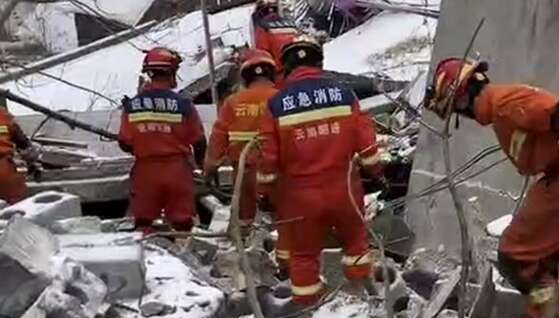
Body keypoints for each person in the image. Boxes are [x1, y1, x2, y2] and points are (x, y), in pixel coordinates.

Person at [423, 59, 559, 318]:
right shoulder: (501, 108)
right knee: (547, 254)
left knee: (515, 256)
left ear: (461, 99)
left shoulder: (506, 103)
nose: (460, 115)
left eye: (455, 109)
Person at [258, 35, 383, 303]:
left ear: (287, 67)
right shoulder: (343, 94)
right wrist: (377, 174)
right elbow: (367, 144)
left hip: (300, 198)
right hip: (345, 191)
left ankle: (310, 313)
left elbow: (268, 159)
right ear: (320, 61)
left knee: (304, 255)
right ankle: (365, 300)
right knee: (356, 244)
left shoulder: (277, 105)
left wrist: (266, 193)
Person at [118, 47, 206, 234]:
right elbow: (199, 141)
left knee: (144, 224)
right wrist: (201, 167)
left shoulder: (132, 106)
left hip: (145, 171)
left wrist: (147, 143)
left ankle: (146, 258)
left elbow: (125, 143)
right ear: (171, 72)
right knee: (183, 225)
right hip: (177, 171)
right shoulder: (183, 105)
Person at [204, 48, 278, 234]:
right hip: (277, 173)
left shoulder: (232, 102)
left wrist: (209, 171)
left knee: (246, 224)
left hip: (243, 175)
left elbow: (217, 141)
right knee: (281, 225)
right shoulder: (283, 99)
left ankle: (248, 256)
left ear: (245, 76)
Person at [252, 0, 300, 77]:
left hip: (280, 73)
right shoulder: (291, 23)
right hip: (297, 68)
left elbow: (262, 53)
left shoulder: (262, 27)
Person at [0, 93, 37, 204]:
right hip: (4, 170)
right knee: (16, 213)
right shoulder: (3, 115)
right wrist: (32, 165)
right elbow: (26, 147)